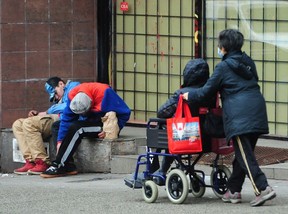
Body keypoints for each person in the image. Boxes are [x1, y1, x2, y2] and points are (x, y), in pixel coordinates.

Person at [183, 29, 276, 207]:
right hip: (257, 111)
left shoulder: (223, 67)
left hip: (240, 116)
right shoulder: (248, 62)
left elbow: (205, 92)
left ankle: (263, 189)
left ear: (224, 47)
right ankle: (233, 191)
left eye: (219, 45)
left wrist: (189, 95)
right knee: (243, 155)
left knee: (245, 156)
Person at [40, 82, 131, 178]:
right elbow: (66, 120)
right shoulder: (73, 96)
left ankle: (59, 164)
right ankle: (68, 165)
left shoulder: (105, 94)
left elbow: (125, 112)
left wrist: (112, 129)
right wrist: (60, 141)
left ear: (91, 104)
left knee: (77, 127)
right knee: (57, 126)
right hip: (87, 120)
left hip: (102, 124)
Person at [152, 58, 215, 184]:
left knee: (163, 129)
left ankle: (162, 170)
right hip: (205, 137)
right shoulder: (209, 93)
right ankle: (170, 168)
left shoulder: (182, 93)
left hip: (185, 137)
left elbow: (162, 112)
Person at [12, 77, 80, 175]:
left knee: (29, 123)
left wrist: (47, 112)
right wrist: (39, 114)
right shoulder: (59, 98)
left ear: (61, 84)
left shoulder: (74, 86)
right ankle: (31, 161)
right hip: (55, 117)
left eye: (55, 93)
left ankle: (42, 162)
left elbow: (70, 106)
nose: (56, 98)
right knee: (17, 124)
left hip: (65, 119)